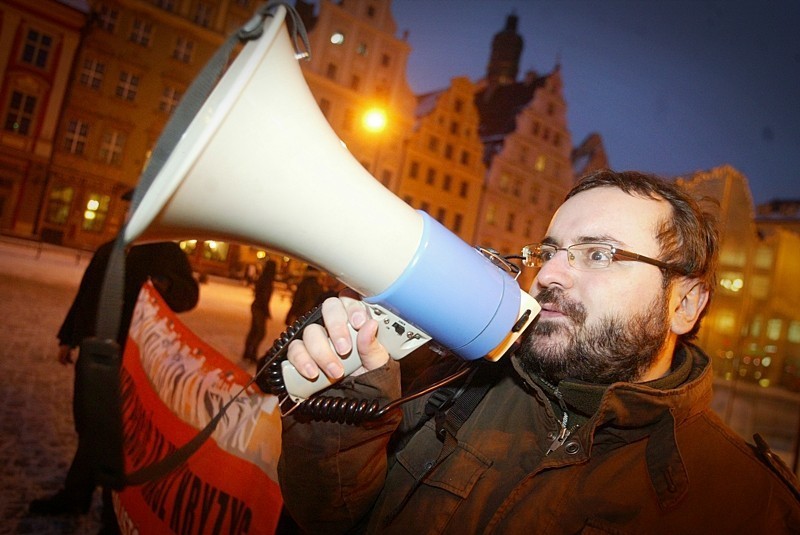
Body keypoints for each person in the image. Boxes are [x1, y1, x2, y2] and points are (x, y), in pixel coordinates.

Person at [276, 170, 800, 533]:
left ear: (684, 303)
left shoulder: (752, 506)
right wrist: (346, 408)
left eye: (598, 254)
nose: (547, 274)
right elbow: (327, 517)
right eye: (548, 252)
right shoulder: (453, 380)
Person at [29, 239, 199, 533]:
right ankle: (77, 495)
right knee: (88, 425)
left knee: (116, 434)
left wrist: (166, 284)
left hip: (133, 359)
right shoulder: (109, 247)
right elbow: (86, 295)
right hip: (94, 352)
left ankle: (112, 512)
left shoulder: (166, 250)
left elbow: (189, 296)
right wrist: (68, 337)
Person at [243, 259, 277, 362]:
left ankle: (248, 352)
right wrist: (266, 311)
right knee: (260, 332)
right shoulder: (267, 280)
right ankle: (252, 352)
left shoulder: (263, 278)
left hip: (257, 307)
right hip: (260, 308)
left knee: (254, 330)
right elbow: (264, 298)